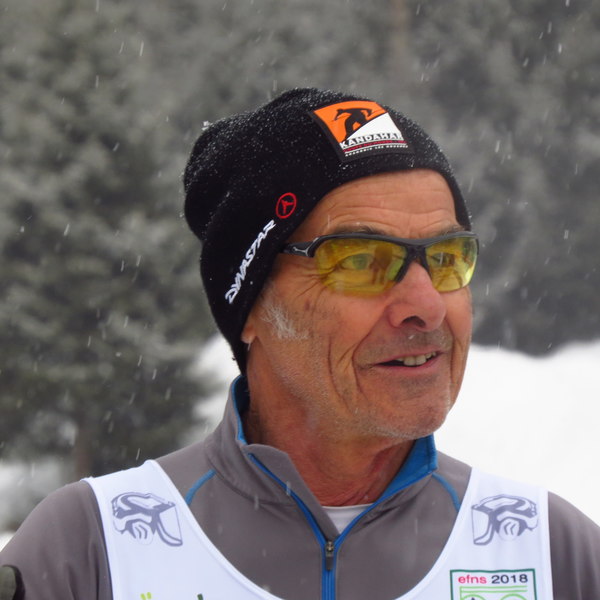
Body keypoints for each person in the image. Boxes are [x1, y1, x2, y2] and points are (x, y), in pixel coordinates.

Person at [1, 88, 599, 600]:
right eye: (360, 260)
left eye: (447, 258)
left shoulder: (552, 554)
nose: (428, 305)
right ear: (252, 305)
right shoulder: (93, 549)